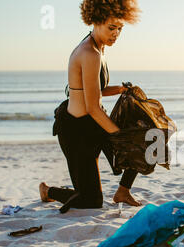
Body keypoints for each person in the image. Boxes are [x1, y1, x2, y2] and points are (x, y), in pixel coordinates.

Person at [39, 0, 143, 210]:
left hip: (94, 124)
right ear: (95, 21)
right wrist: (119, 136)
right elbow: (93, 107)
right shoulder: (89, 53)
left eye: (120, 29)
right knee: (91, 200)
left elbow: (94, 91)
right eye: (111, 28)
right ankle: (48, 191)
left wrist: (121, 90)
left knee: (141, 147)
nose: (116, 34)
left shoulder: (99, 47)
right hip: (77, 132)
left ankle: (123, 191)